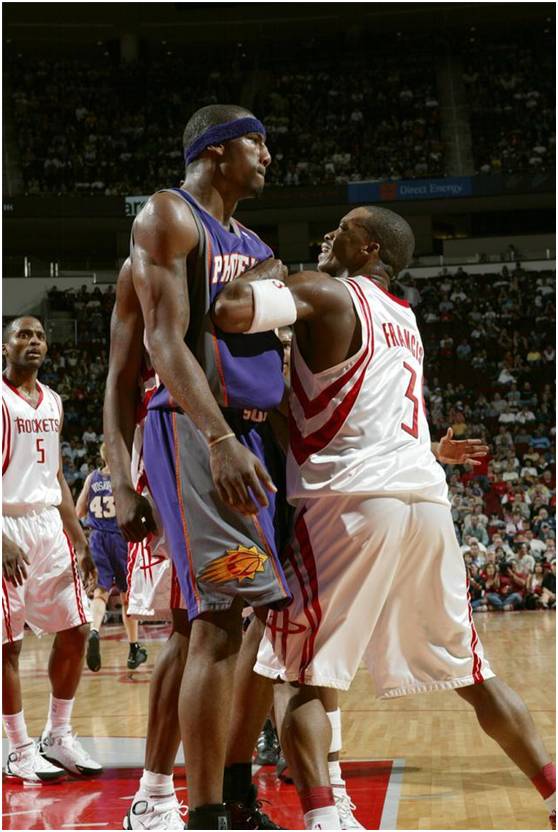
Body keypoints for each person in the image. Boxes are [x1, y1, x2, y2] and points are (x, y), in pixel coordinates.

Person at [213, 206, 556, 830]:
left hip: (348, 502)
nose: (328, 234)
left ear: (368, 247)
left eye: (342, 229)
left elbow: (229, 308)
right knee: (473, 672)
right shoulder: (406, 318)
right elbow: (369, 408)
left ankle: (326, 817)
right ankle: (554, 791)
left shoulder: (326, 292)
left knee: (299, 671)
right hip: (423, 499)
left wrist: (265, 264)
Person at [105, 105, 294, 831]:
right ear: (216, 150)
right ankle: (207, 812)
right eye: (257, 142)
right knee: (216, 619)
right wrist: (127, 475)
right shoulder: (167, 216)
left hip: (251, 437)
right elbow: (150, 353)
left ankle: (218, 793)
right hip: (195, 432)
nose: (267, 155)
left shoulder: (255, 244)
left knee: (235, 624)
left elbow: (273, 357)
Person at [2, 317, 102, 782]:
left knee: (77, 627)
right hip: (6, 523)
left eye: (40, 336)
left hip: (48, 524)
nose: (33, 342)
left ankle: (57, 735)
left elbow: (57, 475)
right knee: (8, 644)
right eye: (23, 335)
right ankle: (18, 748)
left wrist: (80, 538)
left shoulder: (54, 401)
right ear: (5, 347)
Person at [75, 442, 147, 672]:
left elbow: (78, 511)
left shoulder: (92, 478)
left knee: (100, 593)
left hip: (97, 538)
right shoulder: (124, 479)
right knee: (127, 596)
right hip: (120, 538)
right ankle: (134, 649)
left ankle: (95, 630)